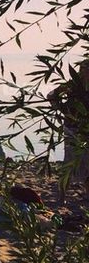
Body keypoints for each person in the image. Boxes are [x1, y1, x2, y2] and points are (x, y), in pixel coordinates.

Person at [49, 60, 89, 201]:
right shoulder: (72, 85)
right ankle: (62, 195)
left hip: (86, 129)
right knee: (70, 163)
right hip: (72, 128)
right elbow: (52, 95)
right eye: (85, 69)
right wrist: (62, 110)